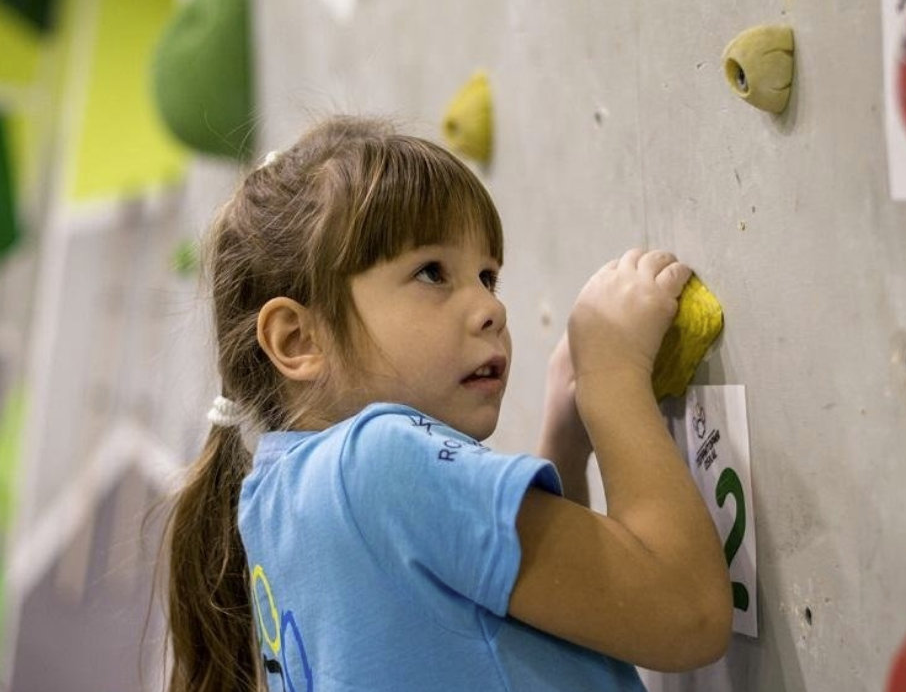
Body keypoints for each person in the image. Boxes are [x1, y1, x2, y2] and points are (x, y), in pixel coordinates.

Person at [160, 115, 732, 692]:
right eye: (432, 273)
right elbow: (687, 614)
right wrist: (611, 378)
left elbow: (557, 613)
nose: (491, 308)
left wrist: (563, 442)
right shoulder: (378, 461)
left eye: (488, 277)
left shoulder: (275, 505)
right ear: (298, 339)